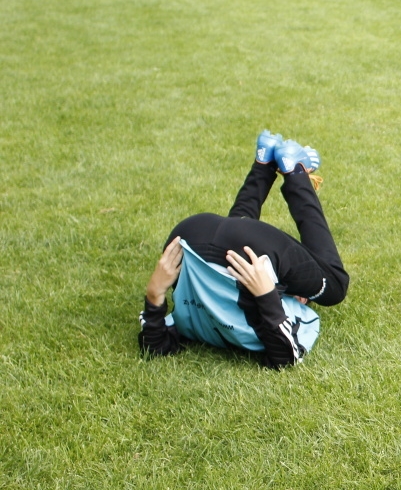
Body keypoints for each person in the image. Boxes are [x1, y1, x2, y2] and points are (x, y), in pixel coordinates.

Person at [139, 132, 350, 370]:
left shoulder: (256, 328)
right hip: (190, 235)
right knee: (334, 286)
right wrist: (266, 295)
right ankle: (275, 164)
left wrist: (155, 291)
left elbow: (284, 357)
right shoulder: (197, 327)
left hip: (202, 245)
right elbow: (283, 360)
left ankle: (291, 170)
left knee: (333, 284)